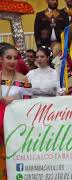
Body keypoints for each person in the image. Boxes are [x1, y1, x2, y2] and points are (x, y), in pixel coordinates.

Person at [0, 45, 32, 180]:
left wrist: (16, 103)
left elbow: (28, 103)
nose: (13, 61)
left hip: (14, 128)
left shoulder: (23, 79)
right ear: (1, 59)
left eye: (15, 58)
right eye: (9, 58)